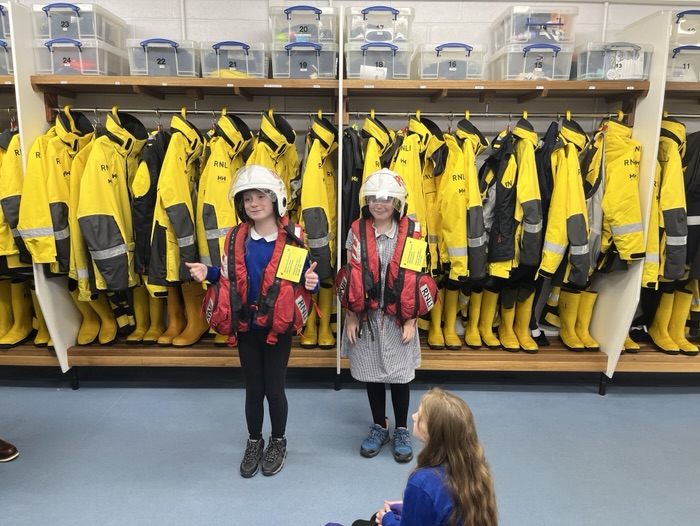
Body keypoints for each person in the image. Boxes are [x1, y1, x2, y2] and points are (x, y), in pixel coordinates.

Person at [186, 165, 319, 478]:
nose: (254, 203)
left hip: (277, 329)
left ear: (275, 199)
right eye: (247, 199)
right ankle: (254, 441)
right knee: (253, 389)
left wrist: (311, 283)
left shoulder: (292, 240)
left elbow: (302, 279)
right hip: (246, 327)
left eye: (260, 196)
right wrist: (209, 273)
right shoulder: (236, 238)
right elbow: (228, 277)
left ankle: (278, 441)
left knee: (274, 388)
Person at [339, 169, 425, 463]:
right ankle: (379, 425)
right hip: (366, 318)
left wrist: (411, 320)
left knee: (400, 377)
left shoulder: (411, 233)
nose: (380, 203)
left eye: (387, 198)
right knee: (372, 374)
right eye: (374, 197)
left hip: (399, 319)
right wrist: (352, 316)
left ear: (397, 202)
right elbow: (350, 276)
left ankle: (401, 429)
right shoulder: (356, 232)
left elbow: (416, 278)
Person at [352, 388, 498, 526]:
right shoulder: (475, 467)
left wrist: (388, 520)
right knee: (375, 518)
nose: (413, 416)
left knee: (363, 522)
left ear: (434, 431)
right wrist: (411, 505)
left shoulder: (422, 482)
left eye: (421, 416)